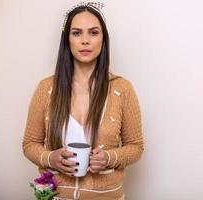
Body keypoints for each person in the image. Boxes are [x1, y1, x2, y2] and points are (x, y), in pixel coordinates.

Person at [22, 2, 144, 200]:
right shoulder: (46, 88)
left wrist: (111, 158)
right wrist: (50, 158)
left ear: (103, 39)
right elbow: (30, 143)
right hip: (57, 196)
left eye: (93, 33)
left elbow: (136, 146)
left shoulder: (122, 89)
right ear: (67, 40)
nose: (85, 40)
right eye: (77, 33)